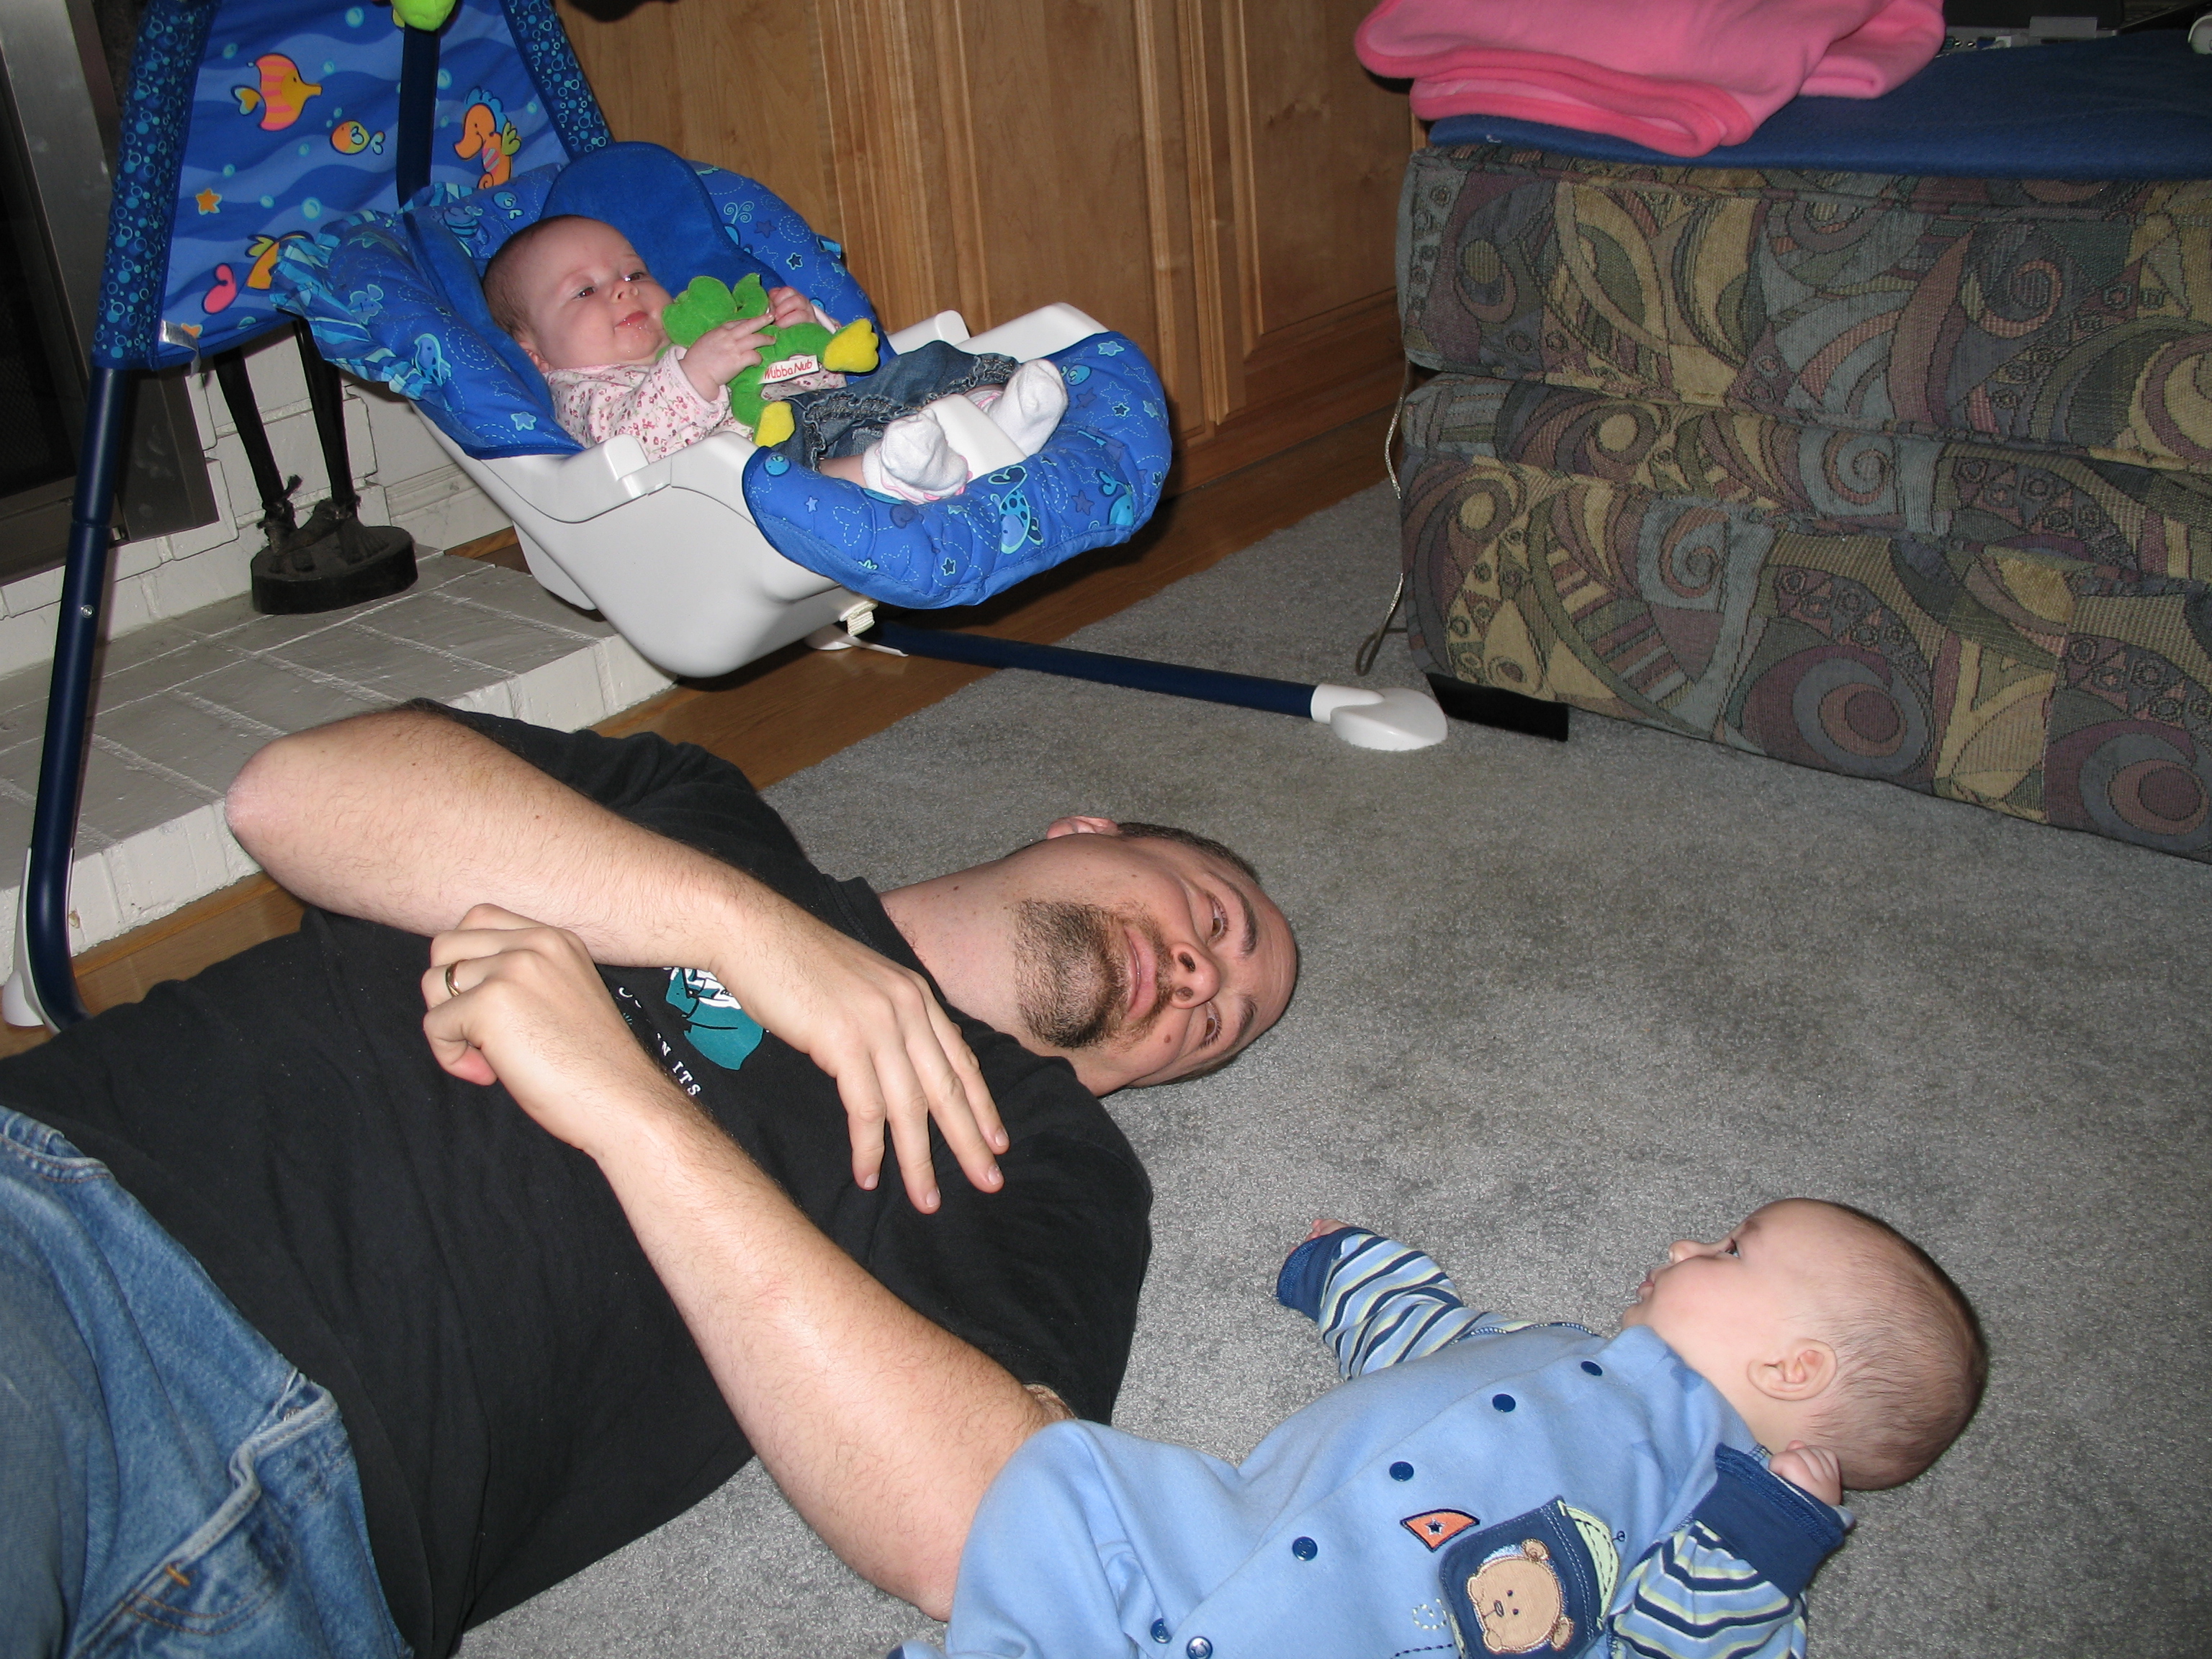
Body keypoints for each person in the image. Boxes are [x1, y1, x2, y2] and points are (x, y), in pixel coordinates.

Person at [0, 702, 1296, 1659]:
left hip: (333, 1564)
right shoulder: (702, 811)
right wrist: (747, 930)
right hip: (91, 1228)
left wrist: (626, 1108)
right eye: (1215, 918)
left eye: (1220, 1024)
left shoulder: (1051, 1162)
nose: (1201, 980)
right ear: (1087, 830)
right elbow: (291, 795)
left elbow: (978, 1525)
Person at [879, 1199, 1985, 1659]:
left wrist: (1764, 1542)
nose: (1688, 1247)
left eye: (1734, 1251)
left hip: (1375, 1634)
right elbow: (1427, 1337)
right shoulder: (1552, 1348)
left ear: (1794, 1367)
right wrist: (1350, 1269)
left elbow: (1675, 1643)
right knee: (1066, 1474)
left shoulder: (1719, 1517)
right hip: (1218, 1544)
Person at [482, 214, 1068, 501]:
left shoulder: (705, 333)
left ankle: (992, 409)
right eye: (584, 291)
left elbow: (825, 382)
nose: (622, 290)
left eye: (635, 274)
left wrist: (808, 334)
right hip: (745, 487)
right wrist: (696, 374)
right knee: (792, 473)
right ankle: (897, 476)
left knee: (916, 367)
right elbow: (632, 446)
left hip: (833, 420)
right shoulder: (581, 393)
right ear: (536, 355)